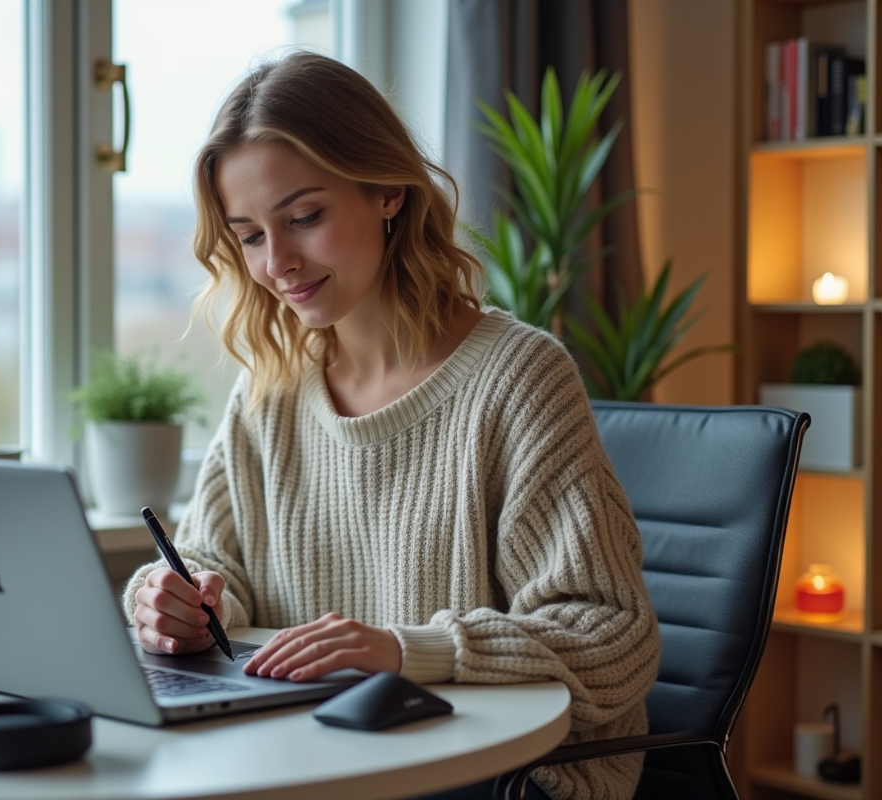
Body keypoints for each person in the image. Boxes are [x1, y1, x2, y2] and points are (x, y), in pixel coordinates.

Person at [122, 51, 660, 800]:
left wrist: (408, 651)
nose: (277, 263)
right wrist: (174, 600)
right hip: (317, 755)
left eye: (304, 218)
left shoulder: (518, 377)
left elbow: (612, 635)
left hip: (502, 775)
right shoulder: (272, 388)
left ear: (387, 193)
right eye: (249, 236)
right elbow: (215, 561)